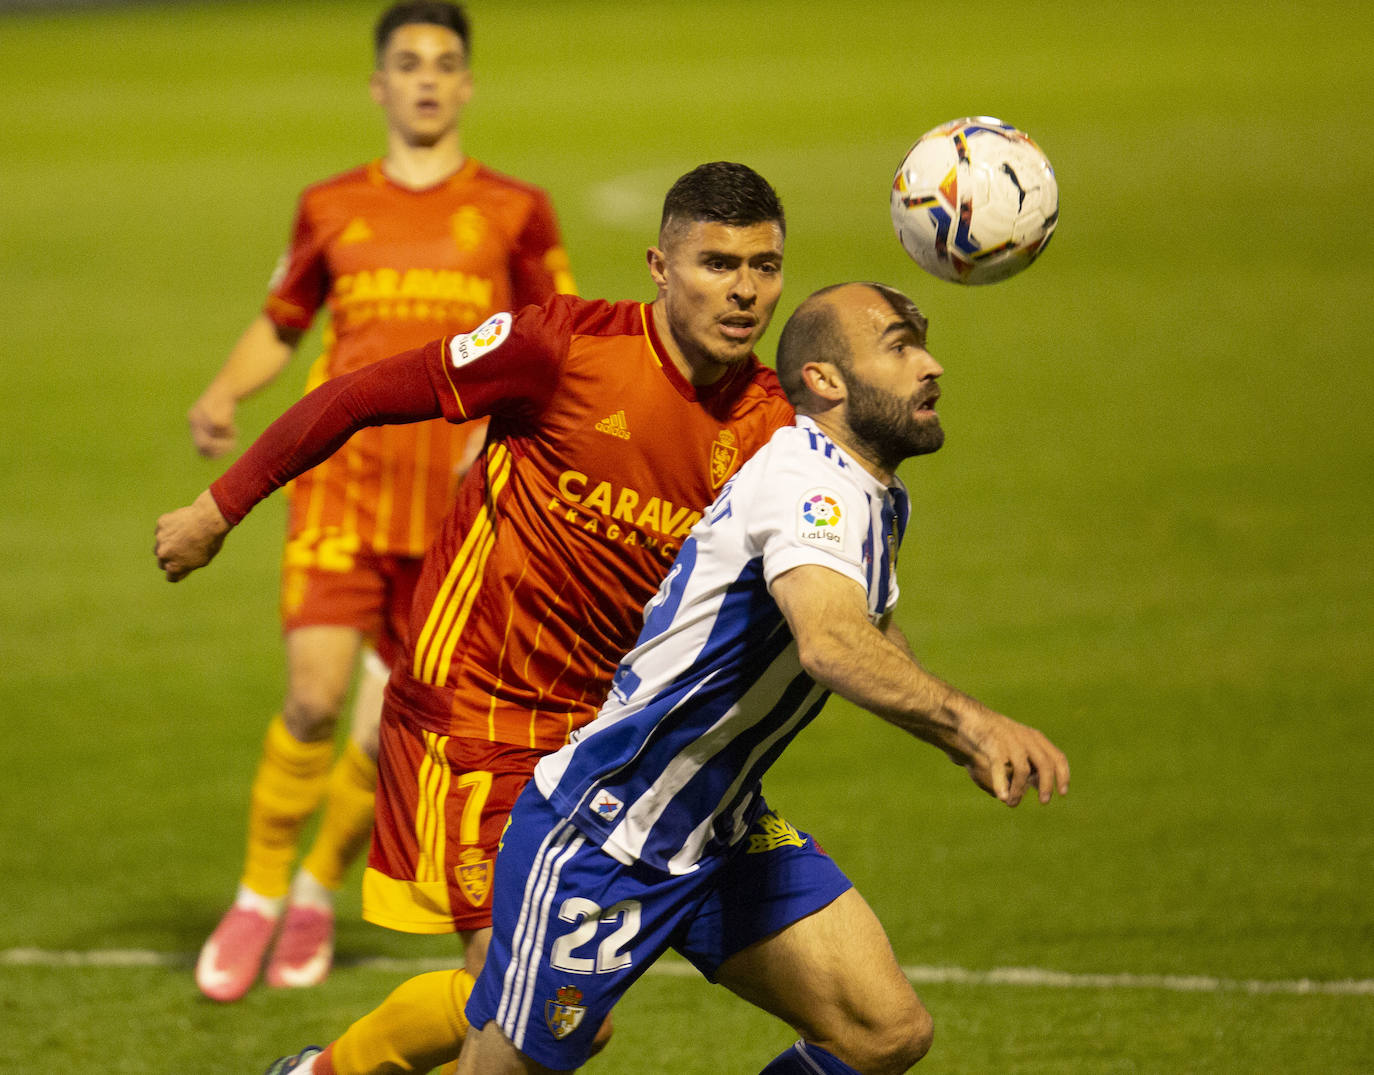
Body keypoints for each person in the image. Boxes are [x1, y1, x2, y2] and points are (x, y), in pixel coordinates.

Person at [156, 161, 796, 1072]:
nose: (743, 290)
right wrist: (219, 509)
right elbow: (361, 393)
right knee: (540, 1009)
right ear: (660, 264)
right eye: (717, 263)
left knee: (546, 1017)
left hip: (599, 743)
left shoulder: (768, 425)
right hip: (473, 719)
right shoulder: (562, 348)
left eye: (763, 267)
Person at [448, 281, 1072, 1074]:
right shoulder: (808, 485)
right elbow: (832, 643)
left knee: (883, 1031)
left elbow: (868, 623)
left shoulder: (871, 493)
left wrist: (953, 742)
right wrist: (972, 721)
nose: (931, 365)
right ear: (826, 380)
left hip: (722, 829)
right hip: (609, 834)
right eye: (900, 345)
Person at [188, 0, 577, 1004]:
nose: (426, 79)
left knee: (379, 733)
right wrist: (228, 392)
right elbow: (285, 321)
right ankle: (256, 895)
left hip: (456, 512)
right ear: (378, 84)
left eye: (445, 63)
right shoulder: (327, 206)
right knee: (314, 699)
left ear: (467, 84)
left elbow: (551, 343)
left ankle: (317, 886)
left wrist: (504, 441)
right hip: (342, 493)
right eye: (407, 63)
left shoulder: (515, 210)